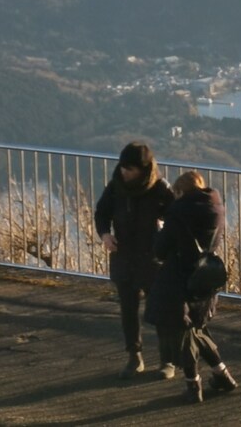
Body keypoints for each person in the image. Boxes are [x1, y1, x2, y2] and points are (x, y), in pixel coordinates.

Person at [148, 170, 238, 403]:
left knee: (185, 332)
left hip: (179, 277)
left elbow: (160, 249)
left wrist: (160, 227)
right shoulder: (216, 208)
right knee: (197, 328)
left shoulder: (179, 214)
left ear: (180, 192)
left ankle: (193, 386)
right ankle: (222, 375)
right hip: (205, 275)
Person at [94, 141, 177, 380]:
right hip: (124, 256)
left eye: (130, 168)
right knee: (128, 309)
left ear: (143, 169)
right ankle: (134, 356)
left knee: (161, 310)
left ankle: (167, 360)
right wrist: (105, 234)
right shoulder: (116, 187)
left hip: (152, 259)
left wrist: (164, 241)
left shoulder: (161, 189)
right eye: (123, 167)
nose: (124, 172)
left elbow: (175, 218)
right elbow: (101, 213)